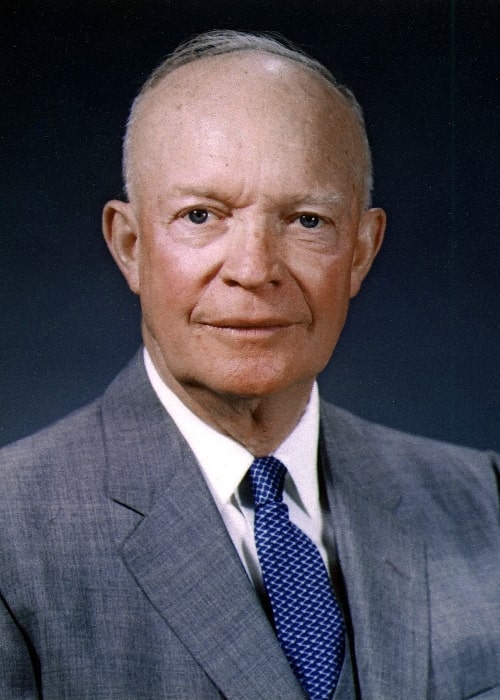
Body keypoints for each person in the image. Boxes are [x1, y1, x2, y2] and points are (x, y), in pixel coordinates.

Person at [0, 30, 498, 700]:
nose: (254, 270)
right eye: (201, 215)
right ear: (129, 245)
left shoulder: (484, 500)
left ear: (361, 250)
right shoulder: (13, 535)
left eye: (307, 221)